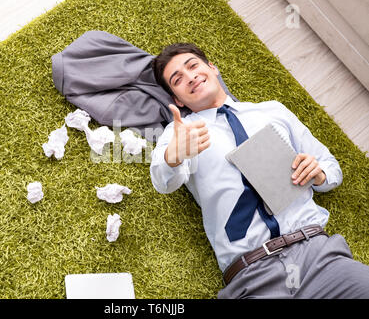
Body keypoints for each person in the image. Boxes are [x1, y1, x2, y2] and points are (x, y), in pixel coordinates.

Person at [149, 43, 369, 298]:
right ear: (177, 99)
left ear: (212, 67)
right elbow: (162, 181)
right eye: (177, 80)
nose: (190, 77)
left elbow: (332, 168)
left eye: (193, 66)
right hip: (252, 275)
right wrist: (173, 156)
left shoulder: (271, 111)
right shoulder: (181, 133)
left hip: (318, 256)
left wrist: (318, 173)